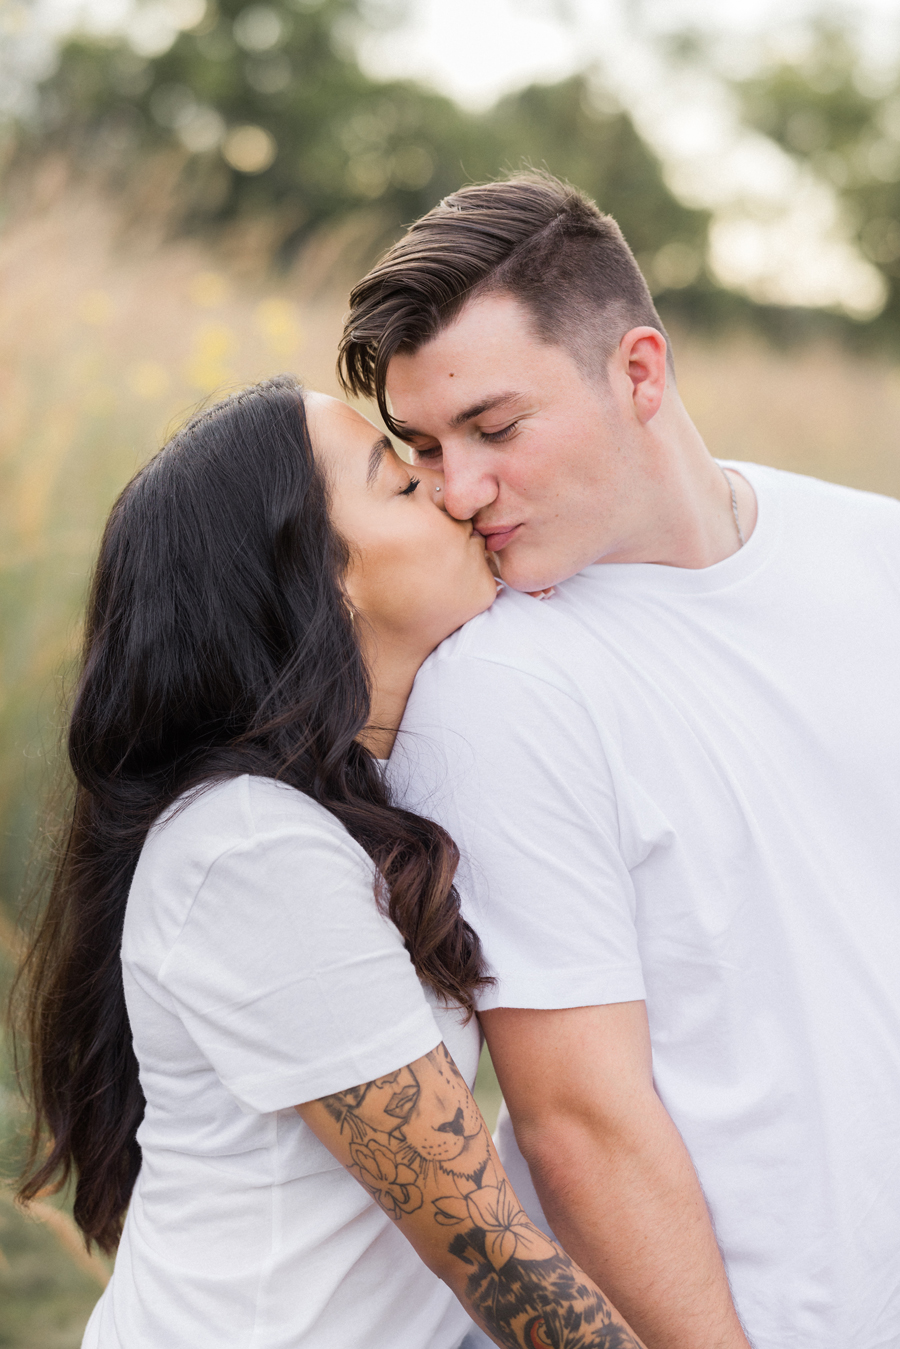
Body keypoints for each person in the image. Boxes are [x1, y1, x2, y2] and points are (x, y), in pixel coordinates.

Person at [337, 174, 900, 1349]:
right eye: (427, 447)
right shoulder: (497, 684)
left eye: (495, 427)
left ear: (638, 372)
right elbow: (578, 1121)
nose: (459, 489)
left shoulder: (877, 552)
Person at [13, 377, 645, 1349]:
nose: (450, 491)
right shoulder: (253, 848)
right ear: (324, 576)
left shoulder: (337, 810)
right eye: (399, 483)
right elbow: (485, 1246)